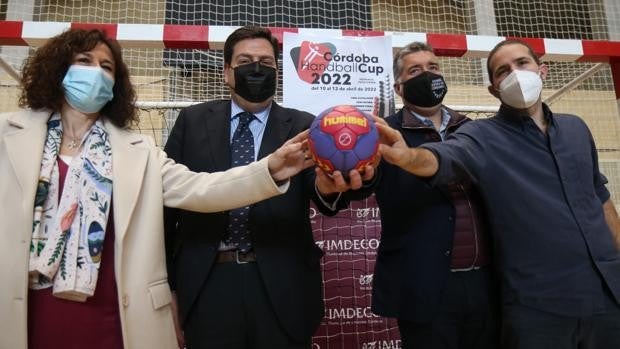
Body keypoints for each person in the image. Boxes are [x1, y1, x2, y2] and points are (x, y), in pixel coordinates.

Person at [0, 28, 316, 349]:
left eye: (106, 67)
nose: (95, 72)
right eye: (84, 61)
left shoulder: (140, 151)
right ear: (58, 69)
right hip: (23, 305)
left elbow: (201, 189)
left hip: (113, 307)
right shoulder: (7, 134)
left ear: (116, 83)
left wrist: (270, 169)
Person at [375, 39, 620, 349]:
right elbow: (443, 158)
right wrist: (407, 156)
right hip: (536, 307)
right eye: (503, 71)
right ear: (493, 89)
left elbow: (599, 196)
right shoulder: (481, 135)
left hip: (604, 297)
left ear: (542, 71)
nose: (515, 74)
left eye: (522, 63)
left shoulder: (576, 129)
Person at [163, 26, 374, 349]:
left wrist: (335, 183)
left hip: (282, 283)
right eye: (246, 61)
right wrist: (169, 288)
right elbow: (166, 211)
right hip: (206, 283)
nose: (257, 68)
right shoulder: (191, 121)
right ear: (226, 73)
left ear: (278, 72)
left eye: (266, 62)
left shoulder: (305, 125)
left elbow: (321, 190)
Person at [360, 42, 497, 349]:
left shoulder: (473, 129)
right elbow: (364, 184)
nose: (427, 74)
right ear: (399, 87)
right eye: (415, 70)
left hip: (485, 283)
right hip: (423, 284)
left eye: (433, 67)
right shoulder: (384, 132)